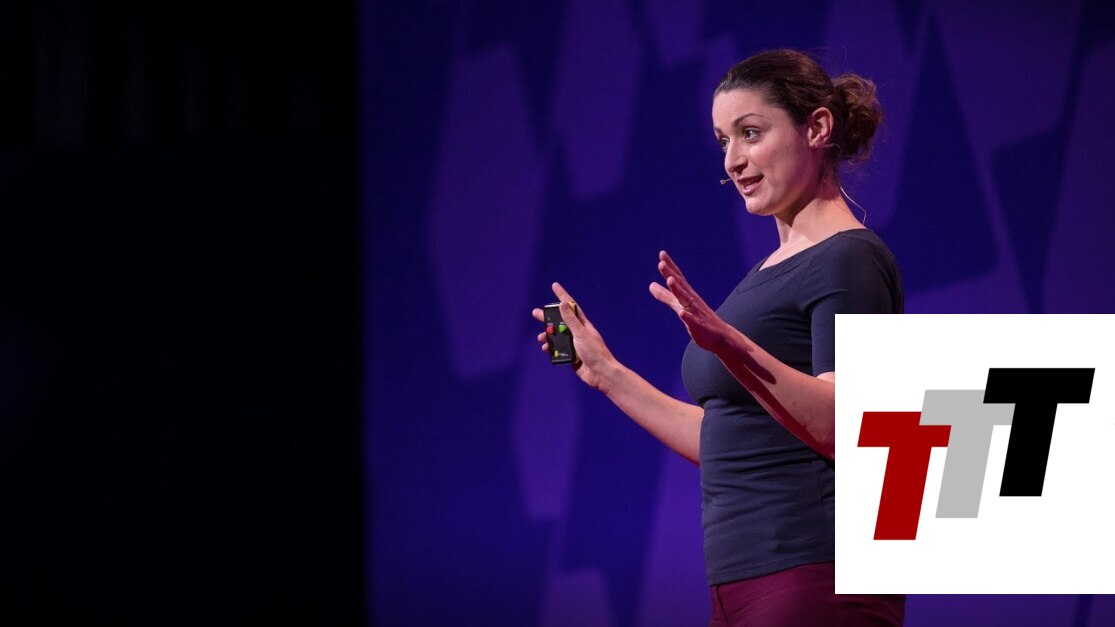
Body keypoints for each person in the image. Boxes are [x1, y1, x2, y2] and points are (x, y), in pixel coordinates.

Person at [532, 49, 904, 626]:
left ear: (817, 128)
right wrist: (607, 374)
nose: (732, 160)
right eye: (724, 141)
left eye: (751, 133)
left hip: (815, 576)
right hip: (740, 585)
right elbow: (731, 440)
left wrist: (732, 346)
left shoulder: (849, 258)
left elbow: (852, 426)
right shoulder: (769, 274)